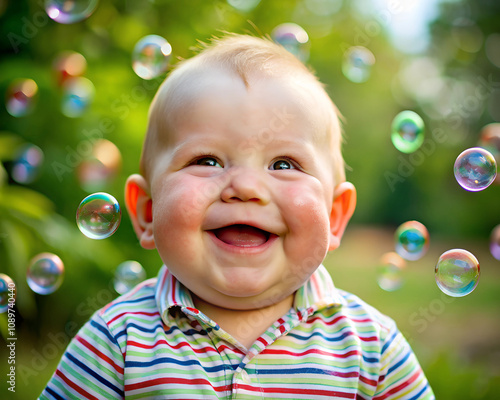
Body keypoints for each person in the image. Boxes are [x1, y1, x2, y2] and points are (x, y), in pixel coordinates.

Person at [40, 34, 434, 399]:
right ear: (147, 210)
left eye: (283, 164)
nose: (245, 186)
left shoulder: (373, 347)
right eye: (206, 160)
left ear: (333, 216)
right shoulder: (115, 343)